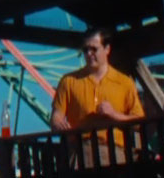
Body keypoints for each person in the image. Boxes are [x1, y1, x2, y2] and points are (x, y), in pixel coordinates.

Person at [51, 27, 145, 165]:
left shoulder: (124, 82)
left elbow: (139, 122)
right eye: (85, 49)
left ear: (107, 49)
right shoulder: (68, 81)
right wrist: (59, 125)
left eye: (94, 49)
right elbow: (55, 117)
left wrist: (114, 114)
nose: (89, 54)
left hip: (113, 153)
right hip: (79, 152)